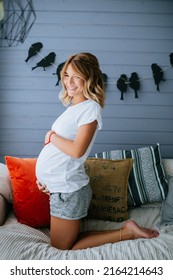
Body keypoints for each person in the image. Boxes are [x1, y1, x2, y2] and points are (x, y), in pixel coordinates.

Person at [36, 52, 159, 250]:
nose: (70, 81)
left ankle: (127, 232)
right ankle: (127, 230)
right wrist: (47, 181)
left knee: (62, 247)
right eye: (67, 75)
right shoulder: (74, 106)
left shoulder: (90, 108)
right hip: (60, 188)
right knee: (66, 242)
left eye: (77, 76)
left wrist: (51, 136)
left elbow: (77, 151)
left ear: (89, 78)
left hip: (70, 190)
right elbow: (61, 155)